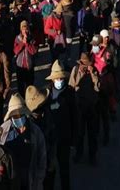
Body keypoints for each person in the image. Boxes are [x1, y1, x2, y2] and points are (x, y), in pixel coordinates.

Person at [0, 93, 47, 190]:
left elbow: (42, 159)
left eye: (21, 115)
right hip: (11, 181)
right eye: (15, 116)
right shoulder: (3, 131)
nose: (18, 117)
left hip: (30, 180)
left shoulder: (35, 131)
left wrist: (39, 180)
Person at [45, 60, 78, 190]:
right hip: (51, 138)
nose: (59, 80)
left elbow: (75, 117)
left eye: (61, 78)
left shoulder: (70, 94)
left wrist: (74, 140)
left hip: (64, 137)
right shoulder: (46, 94)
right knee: (50, 170)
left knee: (64, 169)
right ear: (52, 80)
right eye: (57, 78)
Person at [69, 52, 100, 166]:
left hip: (91, 107)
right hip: (79, 107)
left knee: (92, 134)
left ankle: (93, 155)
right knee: (80, 133)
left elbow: (98, 88)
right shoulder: (76, 70)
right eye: (84, 64)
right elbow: (71, 86)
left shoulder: (94, 71)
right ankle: (79, 153)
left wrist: (93, 74)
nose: (86, 66)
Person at [25, 85, 56, 190]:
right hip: (35, 164)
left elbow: (52, 136)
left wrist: (52, 159)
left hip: (47, 157)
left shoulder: (47, 114)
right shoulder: (27, 124)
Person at [14, 20, 38, 96]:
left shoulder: (32, 38)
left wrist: (27, 43)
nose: (25, 30)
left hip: (29, 66)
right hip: (20, 66)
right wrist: (22, 43)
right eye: (23, 28)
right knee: (20, 86)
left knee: (30, 86)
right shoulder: (17, 38)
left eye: (26, 28)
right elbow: (15, 51)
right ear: (21, 29)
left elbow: (33, 51)